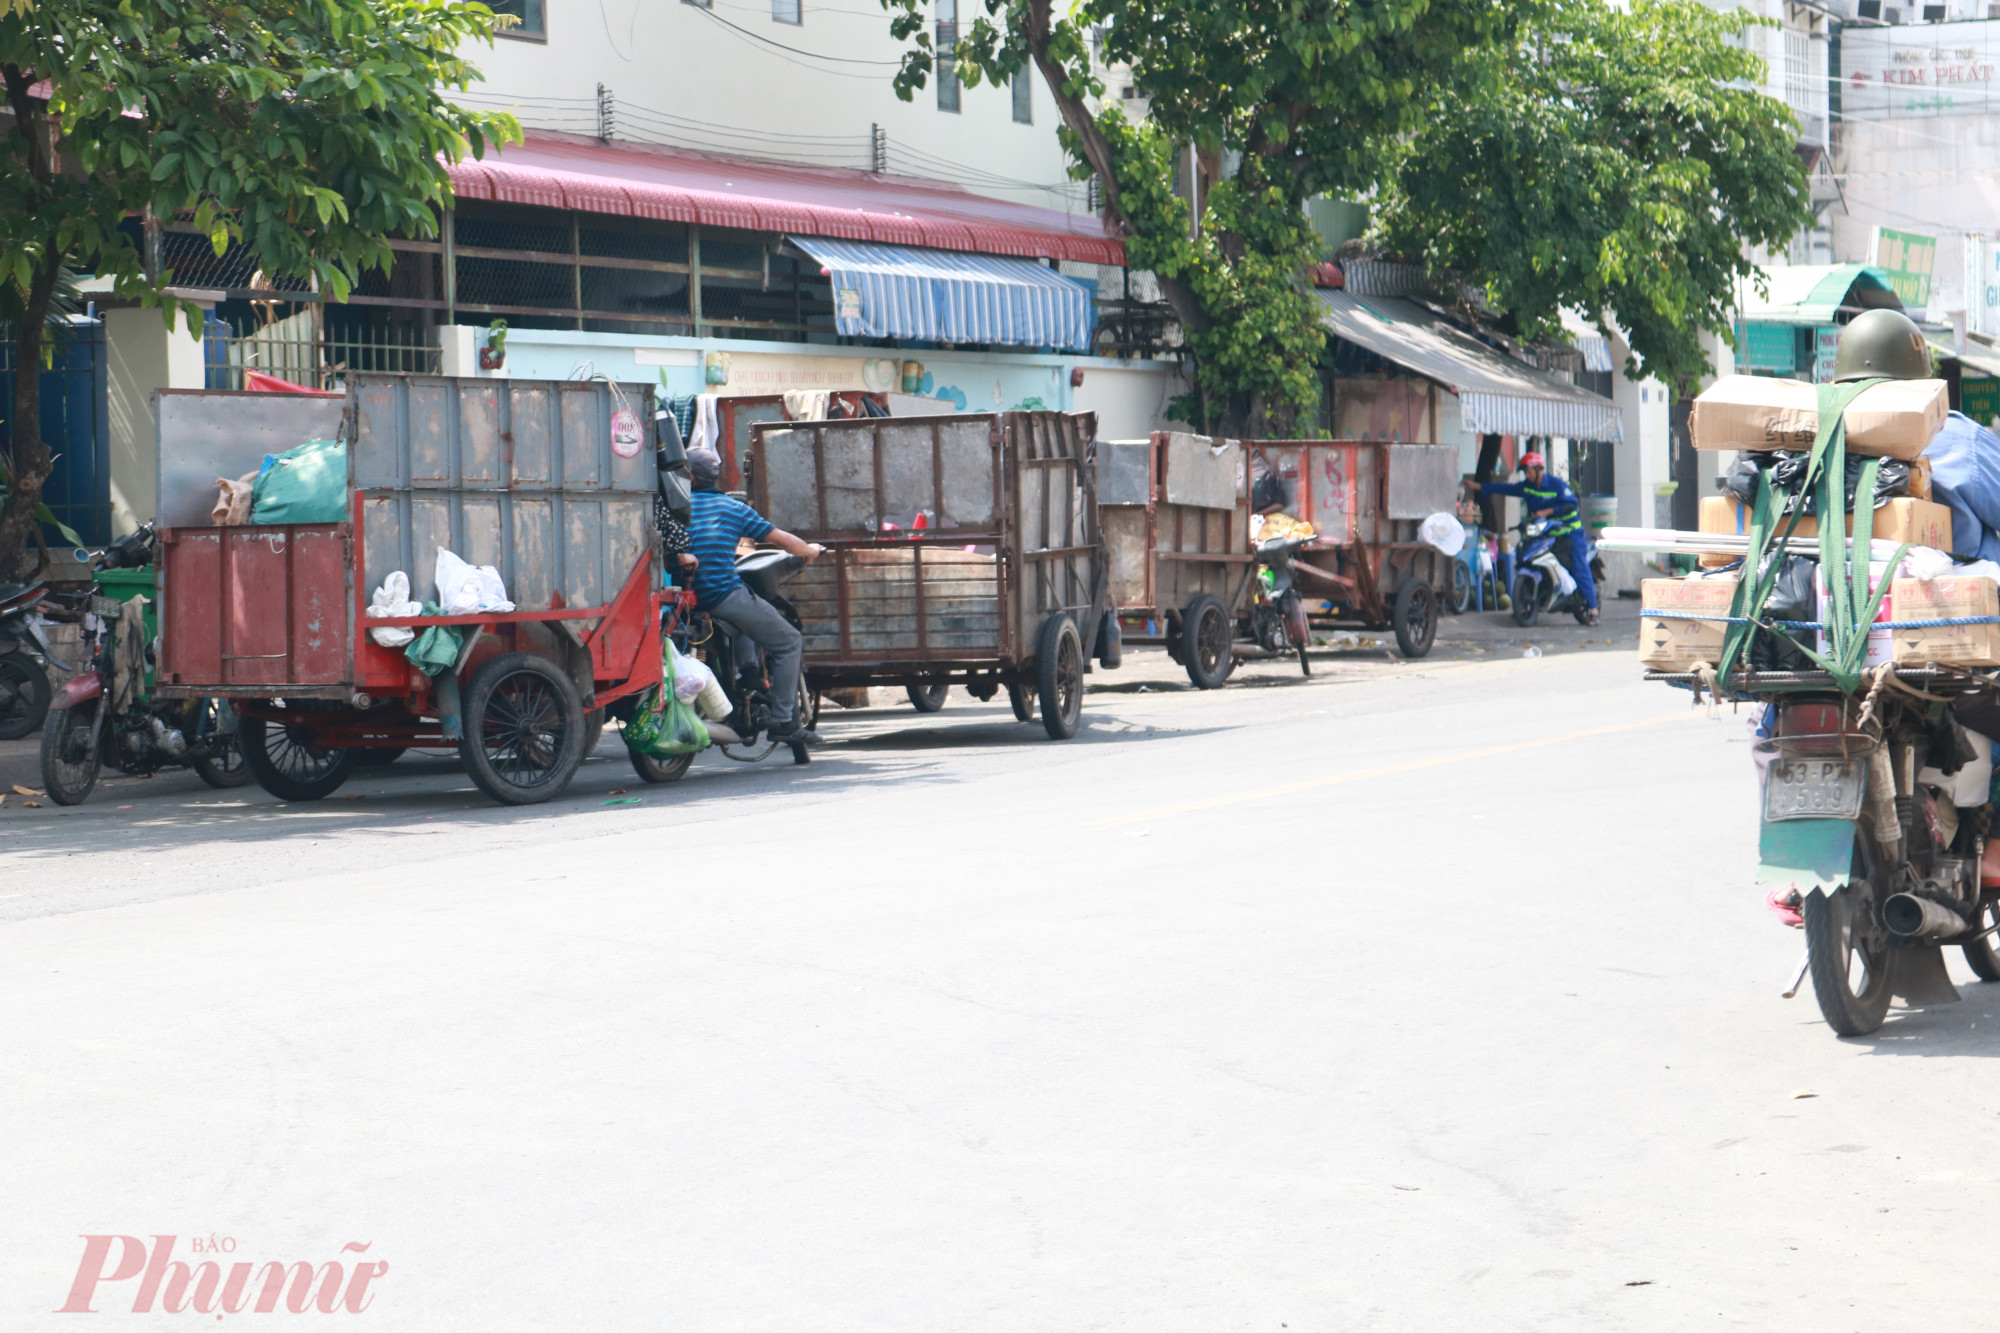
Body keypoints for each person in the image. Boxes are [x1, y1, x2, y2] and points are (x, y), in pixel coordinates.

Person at [685, 447, 825, 742]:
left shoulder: (674, 505)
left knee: (748, 604)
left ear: (688, 478)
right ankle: (784, 722)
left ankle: (749, 669)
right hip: (719, 595)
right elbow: (784, 540)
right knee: (788, 641)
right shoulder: (733, 508)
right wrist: (809, 551)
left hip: (681, 598)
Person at [1466, 452, 1599, 626]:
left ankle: (1594, 609)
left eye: (1528, 471)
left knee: (1579, 565)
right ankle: (1529, 601)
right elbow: (1505, 489)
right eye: (1525, 472)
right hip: (1546, 532)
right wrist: (1476, 486)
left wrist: (1547, 512)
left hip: (1570, 532)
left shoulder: (1556, 484)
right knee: (1526, 555)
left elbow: (1571, 503)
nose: (1526, 475)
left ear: (1538, 469)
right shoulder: (1527, 487)